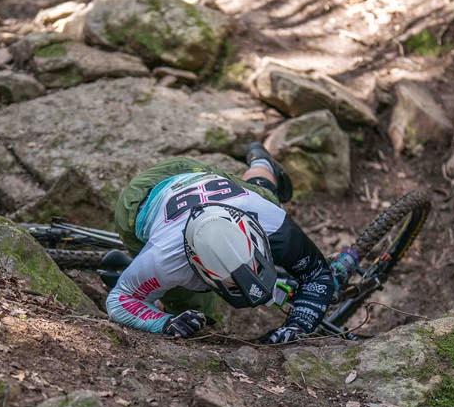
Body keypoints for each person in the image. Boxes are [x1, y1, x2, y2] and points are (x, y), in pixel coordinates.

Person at [104, 143, 352, 343]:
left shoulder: (269, 218)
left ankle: (262, 162)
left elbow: (317, 274)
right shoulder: (165, 259)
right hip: (140, 201)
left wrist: (297, 327)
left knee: (269, 197)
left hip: (196, 174)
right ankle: (145, 284)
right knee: (188, 307)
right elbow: (119, 300)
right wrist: (164, 322)